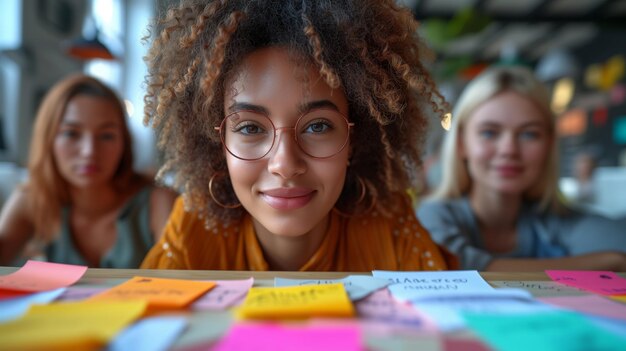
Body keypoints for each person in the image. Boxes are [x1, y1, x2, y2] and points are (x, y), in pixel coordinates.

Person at [140, 0, 458, 271]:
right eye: (250, 127)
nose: (285, 164)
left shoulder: (391, 225)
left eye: (318, 126)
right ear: (218, 143)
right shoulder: (191, 229)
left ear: (355, 139)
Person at [417, 65, 626, 271]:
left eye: (529, 134)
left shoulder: (558, 222)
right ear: (462, 144)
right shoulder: (433, 216)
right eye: (489, 133)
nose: (509, 150)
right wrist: (610, 261)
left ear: (549, 146)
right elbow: (452, 265)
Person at [0, 74, 178, 268]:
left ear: (124, 143)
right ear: (48, 140)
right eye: (72, 133)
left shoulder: (158, 203)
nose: (89, 151)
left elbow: (187, 282)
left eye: (106, 136)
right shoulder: (34, 199)